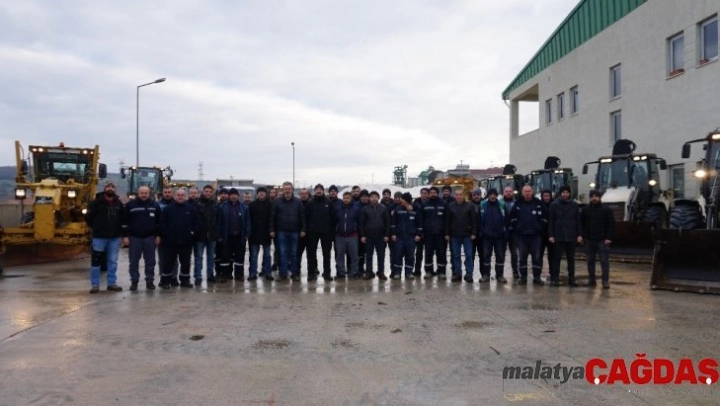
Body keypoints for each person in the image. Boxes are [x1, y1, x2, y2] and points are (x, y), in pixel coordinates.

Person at [85, 181, 125, 293]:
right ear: (104, 189)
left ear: (115, 189)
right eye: (108, 187)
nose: (110, 188)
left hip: (114, 237)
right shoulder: (96, 203)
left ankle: (111, 283)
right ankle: (95, 284)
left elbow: (122, 219)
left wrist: (122, 233)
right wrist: (96, 227)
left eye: (112, 187)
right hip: (99, 237)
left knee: (113, 261)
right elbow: (88, 218)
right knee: (96, 260)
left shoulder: (118, 204)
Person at [122, 185, 161, 291]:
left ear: (149, 194)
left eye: (146, 193)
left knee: (150, 262)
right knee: (133, 261)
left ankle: (149, 281)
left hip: (150, 238)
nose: (144, 195)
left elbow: (159, 222)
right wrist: (125, 236)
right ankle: (134, 282)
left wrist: (158, 235)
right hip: (135, 238)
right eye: (142, 193)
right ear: (138, 194)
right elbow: (124, 222)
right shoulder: (130, 205)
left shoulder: (155, 205)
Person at [159, 188, 199, 289]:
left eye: (182, 195)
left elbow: (197, 223)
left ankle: (185, 280)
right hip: (170, 242)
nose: (180, 197)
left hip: (186, 241)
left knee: (185, 262)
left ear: (185, 197)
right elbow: (162, 224)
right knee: (168, 262)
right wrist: (166, 234)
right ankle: (165, 281)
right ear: (174, 196)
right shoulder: (168, 209)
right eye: (178, 195)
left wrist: (192, 233)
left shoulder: (191, 209)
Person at [509, 185, 547, 286]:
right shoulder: (518, 204)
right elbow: (512, 217)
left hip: (535, 236)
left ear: (532, 192)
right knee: (522, 258)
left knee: (536, 258)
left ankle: (537, 277)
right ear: (522, 192)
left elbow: (544, 218)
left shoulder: (538, 203)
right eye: (525, 191)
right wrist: (517, 227)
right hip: (522, 236)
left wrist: (539, 227)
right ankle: (523, 277)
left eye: (529, 191)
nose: (527, 193)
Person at [270, 182, 306, 282]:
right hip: (281, 231)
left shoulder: (298, 202)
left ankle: (294, 273)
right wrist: (271, 229)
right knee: (282, 253)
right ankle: (283, 274)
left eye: (289, 189)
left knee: (294, 253)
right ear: (283, 190)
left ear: (292, 190)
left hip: (295, 232)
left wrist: (303, 229)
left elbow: (302, 217)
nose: (287, 190)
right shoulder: (277, 202)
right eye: (285, 189)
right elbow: (272, 217)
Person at [548, 186, 582, 287]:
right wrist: (551, 235)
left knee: (571, 259)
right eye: (563, 192)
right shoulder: (554, 205)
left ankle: (572, 279)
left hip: (571, 236)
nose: (565, 194)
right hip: (558, 236)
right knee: (556, 258)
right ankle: (555, 279)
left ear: (569, 194)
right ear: (560, 193)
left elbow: (578, 221)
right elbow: (551, 221)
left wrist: (579, 234)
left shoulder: (574, 205)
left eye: (567, 192)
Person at [582, 190, 615, 289]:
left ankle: (605, 281)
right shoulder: (585, 210)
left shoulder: (606, 210)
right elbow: (582, 224)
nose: (594, 198)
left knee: (604, 261)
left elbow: (611, 224)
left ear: (599, 197)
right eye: (592, 196)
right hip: (589, 240)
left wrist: (609, 237)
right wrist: (583, 236)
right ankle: (591, 280)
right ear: (590, 198)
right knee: (590, 261)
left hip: (602, 240)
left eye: (596, 196)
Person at [216, 188, 251, 282]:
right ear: (229, 196)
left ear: (238, 196)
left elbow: (248, 222)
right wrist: (219, 235)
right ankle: (225, 274)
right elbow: (219, 222)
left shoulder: (244, 207)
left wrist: (247, 234)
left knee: (239, 257)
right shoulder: (223, 207)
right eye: (231, 194)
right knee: (225, 257)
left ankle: (239, 274)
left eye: (235, 194)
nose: (233, 196)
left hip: (240, 237)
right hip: (227, 236)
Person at [446, 189, 477, 283]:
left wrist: (474, 233)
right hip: (454, 235)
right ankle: (457, 273)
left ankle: (469, 274)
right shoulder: (450, 206)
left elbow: (474, 220)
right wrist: (447, 233)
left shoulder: (470, 206)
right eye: (457, 194)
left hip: (467, 235)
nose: (458, 196)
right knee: (456, 255)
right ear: (454, 196)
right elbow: (447, 221)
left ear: (463, 196)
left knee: (469, 255)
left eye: (460, 194)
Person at [305, 184, 334, 282]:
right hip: (312, 232)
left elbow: (332, 218)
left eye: (320, 189)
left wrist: (331, 232)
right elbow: (306, 217)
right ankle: (311, 273)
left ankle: (327, 273)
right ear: (314, 191)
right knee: (311, 254)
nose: (318, 191)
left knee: (327, 254)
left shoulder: (328, 202)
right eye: (317, 189)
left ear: (323, 191)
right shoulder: (310, 203)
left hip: (326, 232)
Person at [360, 191, 390, 280]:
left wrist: (386, 235)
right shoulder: (365, 209)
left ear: (378, 198)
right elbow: (361, 223)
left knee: (381, 255)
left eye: (375, 197)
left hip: (380, 237)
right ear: (369, 198)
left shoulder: (383, 208)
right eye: (372, 197)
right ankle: (369, 272)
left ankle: (381, 272)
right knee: (369, 255)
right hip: (369, 237)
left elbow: (387, 222)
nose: (374, 198)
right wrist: (362, 235)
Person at [391, 193, 421, 280]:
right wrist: (393, 234)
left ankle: (409, 272)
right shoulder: (397, 210)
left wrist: (418, 234)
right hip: (399, 237)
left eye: (402, 199)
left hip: (411, 237)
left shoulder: (415, 210)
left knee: (410, 255)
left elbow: (419, 223)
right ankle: (397, 273)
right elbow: (393, 223)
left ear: (407, 200)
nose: (401, 200)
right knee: (398, 255)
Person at [480, 188, 507, 283]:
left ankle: (500, 275)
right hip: (487, 237)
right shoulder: (483, 205)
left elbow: (506, 219)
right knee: (486, 257)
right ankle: (486, 275)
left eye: (494, 194)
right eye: (491, 194)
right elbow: (480, 220)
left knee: (500, 256)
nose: (492, 196)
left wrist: (504, 232)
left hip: (499, 236)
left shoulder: (502, 205)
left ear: (496, 195)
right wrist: (483, 232)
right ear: (488, 196)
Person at [193, 185, 219, 285]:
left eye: (210, 192)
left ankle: (210, 275)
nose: (208, 193)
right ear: (203, 192)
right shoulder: (197, 203)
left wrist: (216, 232)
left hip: (212, 235)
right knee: (199, 257)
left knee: (211, 257)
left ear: (212, 193)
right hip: (200, 236)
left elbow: (218, 219)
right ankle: (198, 276)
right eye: (206, 191)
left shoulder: (215, 204)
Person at [333, 192, 361, 279]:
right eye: (344, 198)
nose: (346, 200)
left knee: (354, 256)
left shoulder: (356, 209)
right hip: (340, 236)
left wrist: (357, 231)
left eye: (348, 198)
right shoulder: (338, 209)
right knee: (340, 256)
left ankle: (354, 272)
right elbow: (334, 221)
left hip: (352, 236)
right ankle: (340, 273)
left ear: (351, 198)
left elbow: (359, 222)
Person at [422, 186, 447, 279]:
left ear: (437, 194)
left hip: (440, 234)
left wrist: (446, 232)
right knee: (428, 253)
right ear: (429, 194)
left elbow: (447, 219)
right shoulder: (425, 205)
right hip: (428, 234)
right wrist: (421, 231)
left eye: (434, 193)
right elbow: (421, 219)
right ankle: (428, 271)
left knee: (441, 253)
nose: (433, 194)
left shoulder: (443, 204)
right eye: (431, 193)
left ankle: (441, 272)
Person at [249, 187, 273, 281]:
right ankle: (253, 273)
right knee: (253, 255)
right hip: (254, 234)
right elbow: (249, 220)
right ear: (257, 194)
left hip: (266, 234)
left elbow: (272, 219)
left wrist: (271, 230)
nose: (261, 194)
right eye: (260, 192)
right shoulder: (252, 205)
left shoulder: (270, 205)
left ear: (266, 194)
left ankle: (268, 272)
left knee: (267, 255)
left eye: (263, 192)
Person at [158, 186, 179, 286]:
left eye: (169, 192)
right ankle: (163, 277)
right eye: (165, 192)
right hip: (162, 236)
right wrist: (158, 234)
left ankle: (174, 277)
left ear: (172, 193)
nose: (167, 194)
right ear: (162, 193)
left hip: (175, 236)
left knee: (174, 259)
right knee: (162, 259)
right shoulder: (157, 205)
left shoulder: (177, 204)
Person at [502, 186, 519, 279]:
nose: (508, 193)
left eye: (510, 191)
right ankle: (500, 273)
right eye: (506, 191)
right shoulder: (500, 203)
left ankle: (515, 271)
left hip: (514, 232)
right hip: (502, 232)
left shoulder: (517, 203)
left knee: (514, 253)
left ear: (512, 192)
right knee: (501, 253)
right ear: (503, 193)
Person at [413, 188, 429, 276]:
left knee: (428, 253)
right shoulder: (415, 203)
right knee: (418, 253)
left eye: (425, 193)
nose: (424, 194)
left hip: (428, 232)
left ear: (428, 194)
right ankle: (417, 270)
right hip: (418, 232)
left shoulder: (430, 203)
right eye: (422, 193)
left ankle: (428, 270)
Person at [539, 189, 555, 280]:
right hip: (541, 235)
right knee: (539, 255)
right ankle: (538, 274)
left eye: (548, 196)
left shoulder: (554, 206)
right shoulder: (538, 205)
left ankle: (553, 273)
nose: (547, 198)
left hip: (551, 235)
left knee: (552, 256)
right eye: (545, 196)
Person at [470, 188, 484, 277]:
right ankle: (469, 274)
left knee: (483, 256)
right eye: (474, 195)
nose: (476, 196)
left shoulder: (485, 204)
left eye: (478, 195)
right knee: (470, 256)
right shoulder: (468, 205)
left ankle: (484, 274)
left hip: (482, 236)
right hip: (471, 236)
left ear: (480, 195)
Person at [297, 188, 310, 276]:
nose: (304, 195)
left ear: (308, 195)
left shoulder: (311, 204)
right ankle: (297, 270)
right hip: (299, 233)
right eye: (302, 194)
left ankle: (312, 269)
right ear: (300, 195)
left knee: (311, 253)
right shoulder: (297, 204)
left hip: (310, 233)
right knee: (298, 253)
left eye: (305, 193)